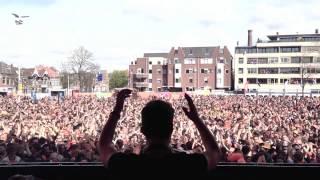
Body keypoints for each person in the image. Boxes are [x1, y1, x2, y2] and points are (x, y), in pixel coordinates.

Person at [99, 89, 220, 179]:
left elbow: (104, 145)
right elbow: (214, 152)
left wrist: (117, 110)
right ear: (172, 129)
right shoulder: (186, 164)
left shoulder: (128, 165)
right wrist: (196, 119)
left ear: (142, 130)